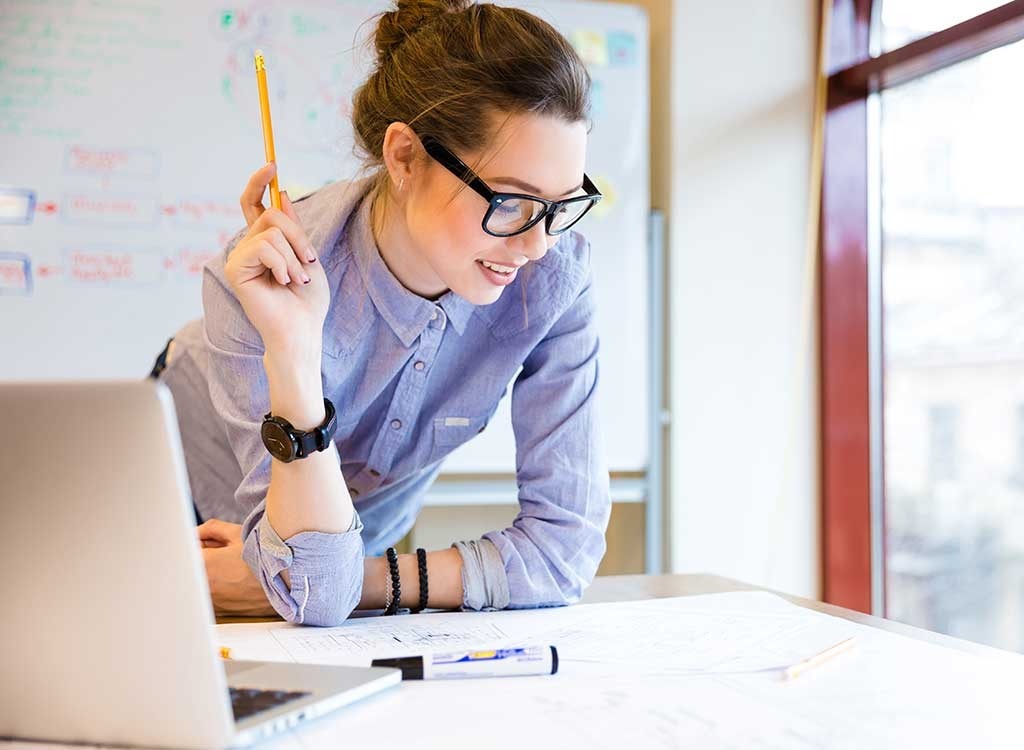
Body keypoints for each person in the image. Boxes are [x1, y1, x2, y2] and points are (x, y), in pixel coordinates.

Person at [155, 0, 610, 626]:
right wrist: (293, 347)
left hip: (341, 562)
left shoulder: (554, 279)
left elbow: (565, 553)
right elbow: (311, 586)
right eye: (510, 202)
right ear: (403, 156)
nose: (537, 245)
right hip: (191, 526)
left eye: (562, 204)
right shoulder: (262, 276)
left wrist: (353, 581)